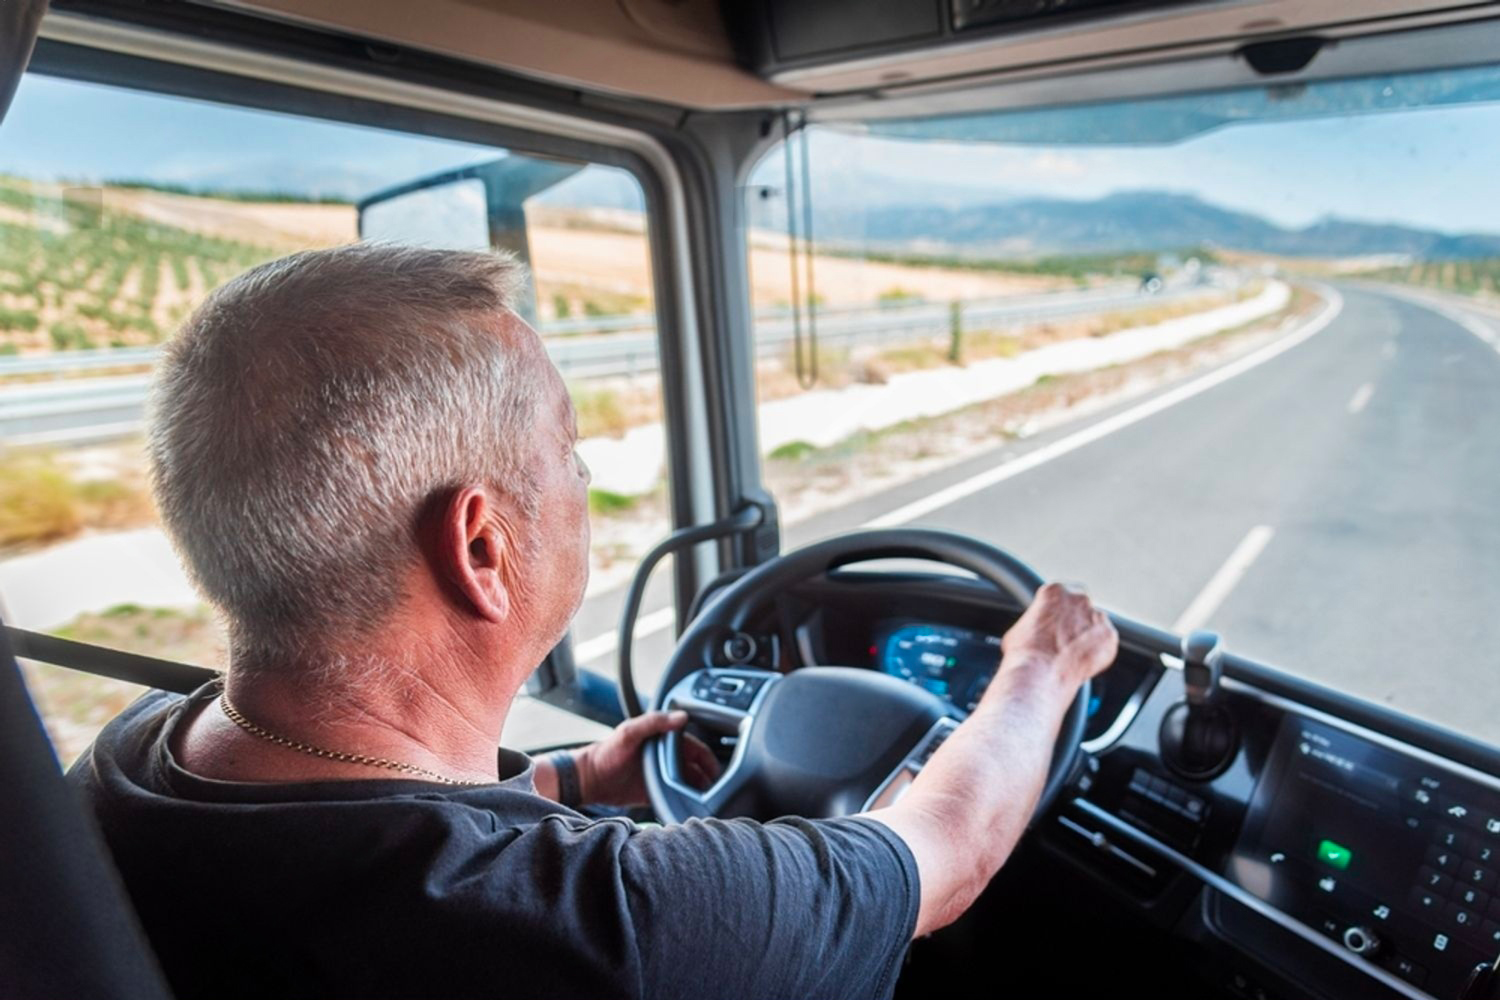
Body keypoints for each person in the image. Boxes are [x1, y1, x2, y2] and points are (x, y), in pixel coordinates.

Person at [69, 244, 1118, 1000]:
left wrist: (576, 778)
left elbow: (373, 830)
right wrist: (1040, 663)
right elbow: (951, 851)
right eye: (566, 454)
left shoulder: (128, 767)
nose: (584, 480)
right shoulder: (602, 930)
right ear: (482, 549)